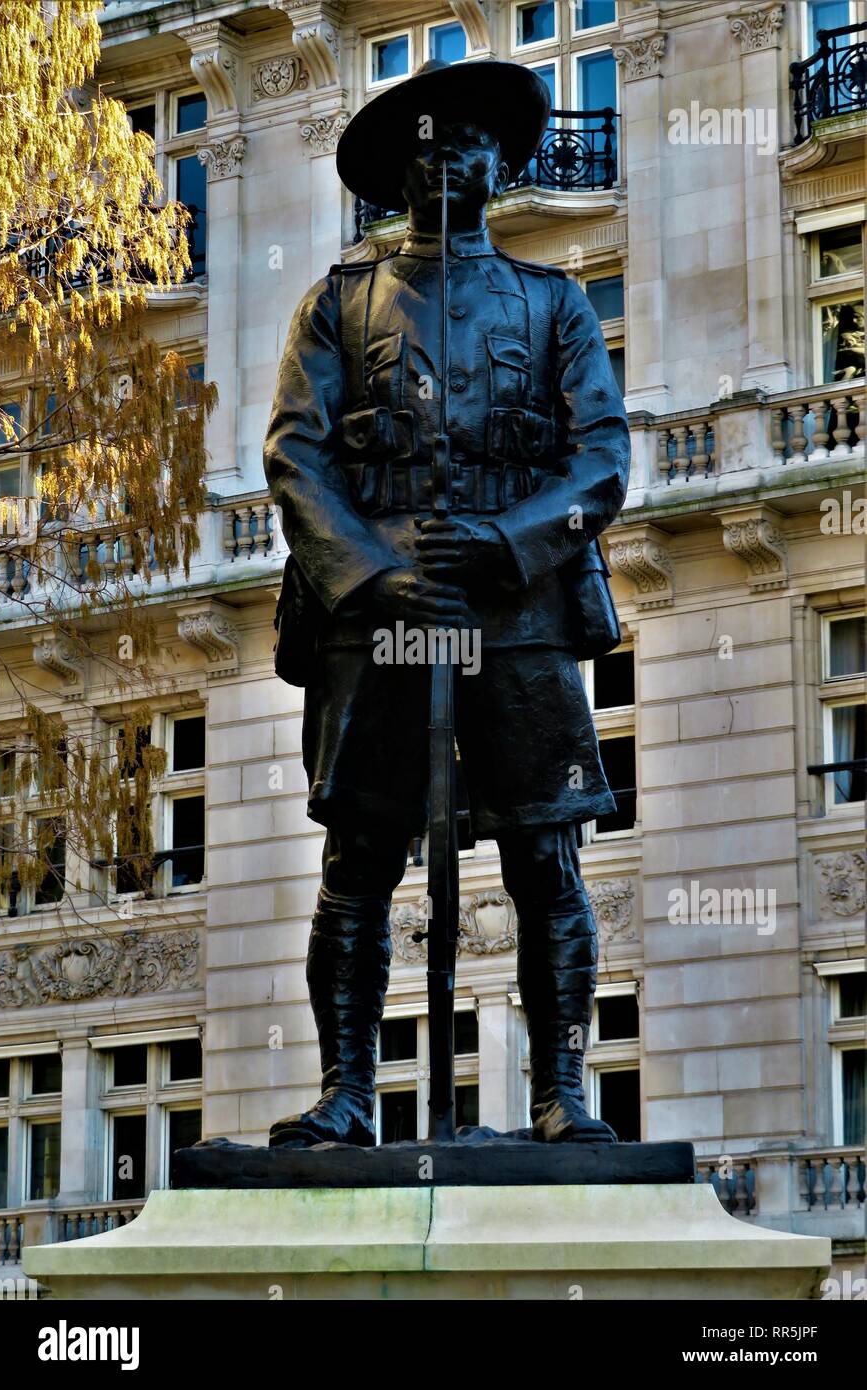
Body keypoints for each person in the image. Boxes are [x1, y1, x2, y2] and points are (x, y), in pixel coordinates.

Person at [264, 59, 630, 1146]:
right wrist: (375, 574)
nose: (446, 157)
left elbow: (601, 460)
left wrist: (509, 543)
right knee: (360, 862)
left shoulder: (555, 303)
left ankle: (562, 1091)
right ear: (395, 175)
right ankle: (346, 1091)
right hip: (373, 626)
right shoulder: (337, 304)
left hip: (517, 618)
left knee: (545, 855)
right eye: (426, 145)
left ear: (500, 163)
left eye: (466, 142)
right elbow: (297, 455)